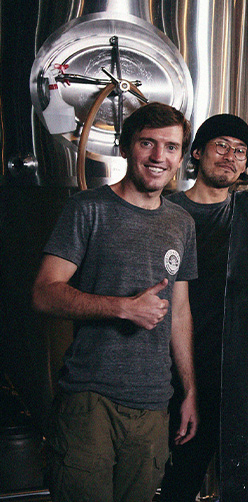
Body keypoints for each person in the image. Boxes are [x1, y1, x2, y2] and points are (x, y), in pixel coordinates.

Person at [31, 102, 199, 502]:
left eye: (171, 147)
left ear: (180, 158)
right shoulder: (88, 209)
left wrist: (190, 390)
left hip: (154, 405)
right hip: (90, 399)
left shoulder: (181, 223)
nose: (159, 157)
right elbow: (44, 292)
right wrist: (122, 307)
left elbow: (179, 313)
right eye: (147, 143)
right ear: (125, 148)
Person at [157, 114, 248, 500]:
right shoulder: (165, 211)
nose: (230, 156)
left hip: (228, 374)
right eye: (221, 146)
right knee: (172, 480)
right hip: (166, 371)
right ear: (196, 153)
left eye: (240, 151)